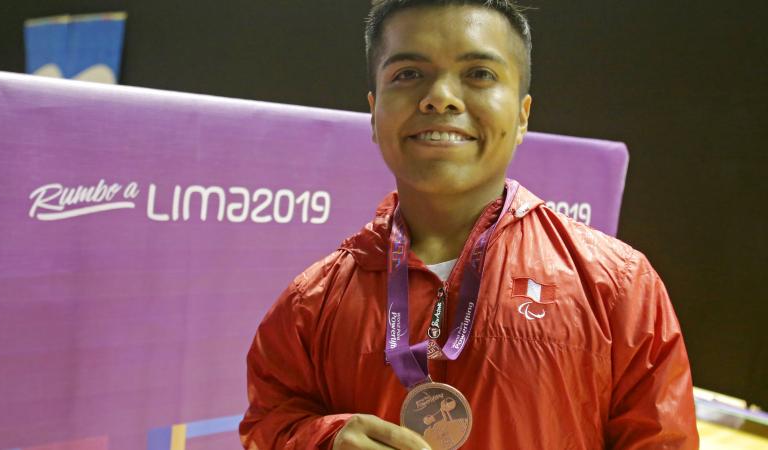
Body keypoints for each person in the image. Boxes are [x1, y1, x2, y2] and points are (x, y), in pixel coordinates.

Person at [239, 0, 699, 448]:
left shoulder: (616, 285)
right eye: (409, 74)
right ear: (375, 113)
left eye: (479, 74)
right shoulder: (311, 304)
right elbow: (270, 423)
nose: (440, 97)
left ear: (522, 115)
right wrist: (323, 440)